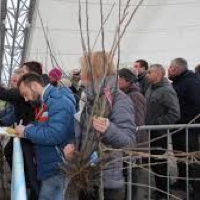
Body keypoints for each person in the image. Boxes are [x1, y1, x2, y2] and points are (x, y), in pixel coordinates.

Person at [64, 51, 136, 200]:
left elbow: (128, 141)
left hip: (105, 179)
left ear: (92, 70)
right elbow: (79, 131)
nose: (80, 71)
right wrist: (72, 147)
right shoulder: (86, 98)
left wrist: (109, 129)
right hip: (85, 174)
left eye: (83, 67)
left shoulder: (119, 99)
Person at [0, 61, 43, 199]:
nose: (17, 81)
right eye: (14, 79)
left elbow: (4, 95)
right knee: (15, 155)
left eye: (22, 73)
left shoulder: (24, 93)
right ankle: (24, 183)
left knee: (31, 167)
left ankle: (28, 186)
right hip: (23, 132)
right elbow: (11, 112)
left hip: (28, 134)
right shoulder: (24, 93)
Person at [15, 73, 76, 200]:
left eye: (26, 94)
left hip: (58, 167)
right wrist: (30, 127)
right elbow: (46, 124)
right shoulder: (48, 100)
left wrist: (26, 132)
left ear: (34, 85)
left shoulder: (58, 101)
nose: (26, 99)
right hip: (52, 166)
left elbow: (55, 134)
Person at [145, 64, 180, 199]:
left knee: (160, 163)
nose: (147, 75)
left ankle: (164, 192)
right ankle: (160, 189)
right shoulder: (151, 88)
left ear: (158, 74)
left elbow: (174, 113)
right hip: (149, 132)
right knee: (154, 162)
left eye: (150, 72)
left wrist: (156, 124)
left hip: (158, 133)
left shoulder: (166, 90)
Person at [168, 58, 200, 199]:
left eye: (171, 68)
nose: (168, 70)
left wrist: (180, 119)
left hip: (188, 128)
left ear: (178, 69)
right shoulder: (178, 82)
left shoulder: (191, 82)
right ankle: (182, 182)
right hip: (179, 128)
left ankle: (197, 189)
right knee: (179, 156)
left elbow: (196, 105)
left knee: (190, 159)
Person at [118, 68, 147, 199]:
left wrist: (133, 145)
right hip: (129, 140)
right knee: (128, 172)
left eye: (119, 79)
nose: (116, 82)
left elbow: (138, 122)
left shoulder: (134, 96)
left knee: (132, 173)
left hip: (133, 143)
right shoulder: (126, 93)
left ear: (127, 81)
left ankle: (132, 197)